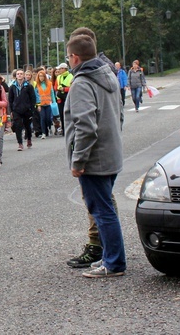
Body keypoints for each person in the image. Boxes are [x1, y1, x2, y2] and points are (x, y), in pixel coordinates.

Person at [65, 34, 126, 278]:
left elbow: (86, 126)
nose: (68, 61)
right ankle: (110, 257)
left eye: (69, 57)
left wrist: (78, 160)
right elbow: (119, 114)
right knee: (106, 208)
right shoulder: (108, 74)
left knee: (102, 211)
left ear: (75, 57)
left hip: (94, 159)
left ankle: (114, 263)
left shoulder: (82, 82)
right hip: (111, 154)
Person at [8, 69, 35, 151]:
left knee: (27, 126)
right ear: (15, 76)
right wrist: (11, 111)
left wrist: (32, 109)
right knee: (18, 127)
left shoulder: (29, 86)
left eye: (21, 74)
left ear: (24, 75)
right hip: (17, 110)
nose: (19, 75)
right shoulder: (12, 87)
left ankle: (29, 139)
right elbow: (10, 99)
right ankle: (20, 143)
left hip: (27, 109)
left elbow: (32, 98)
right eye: (18, 74)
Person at [34, 69, 53, 139]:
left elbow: (52, 92)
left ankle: (49, 127)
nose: (41, 78)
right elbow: (36, 95)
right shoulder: (37, 85)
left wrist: (53, 101)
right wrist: (38, 104)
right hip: (41, 104)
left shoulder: (49, 84)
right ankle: (43, 133)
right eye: (40, 76)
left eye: (42, 76)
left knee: (48, 118)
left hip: (48, 103)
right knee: (43, 118)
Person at [56, 63, 73, 134]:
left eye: (60, 69)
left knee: (69, 114)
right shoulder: (58, 77)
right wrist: (59, 88)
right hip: (60, 98)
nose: (59, 70)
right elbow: (55, 87)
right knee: (61, 114)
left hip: (68, 97)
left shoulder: (71, 76)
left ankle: (69, 129)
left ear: (64, 69)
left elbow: (72, 87)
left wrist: (64, 89)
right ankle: (63, 129)